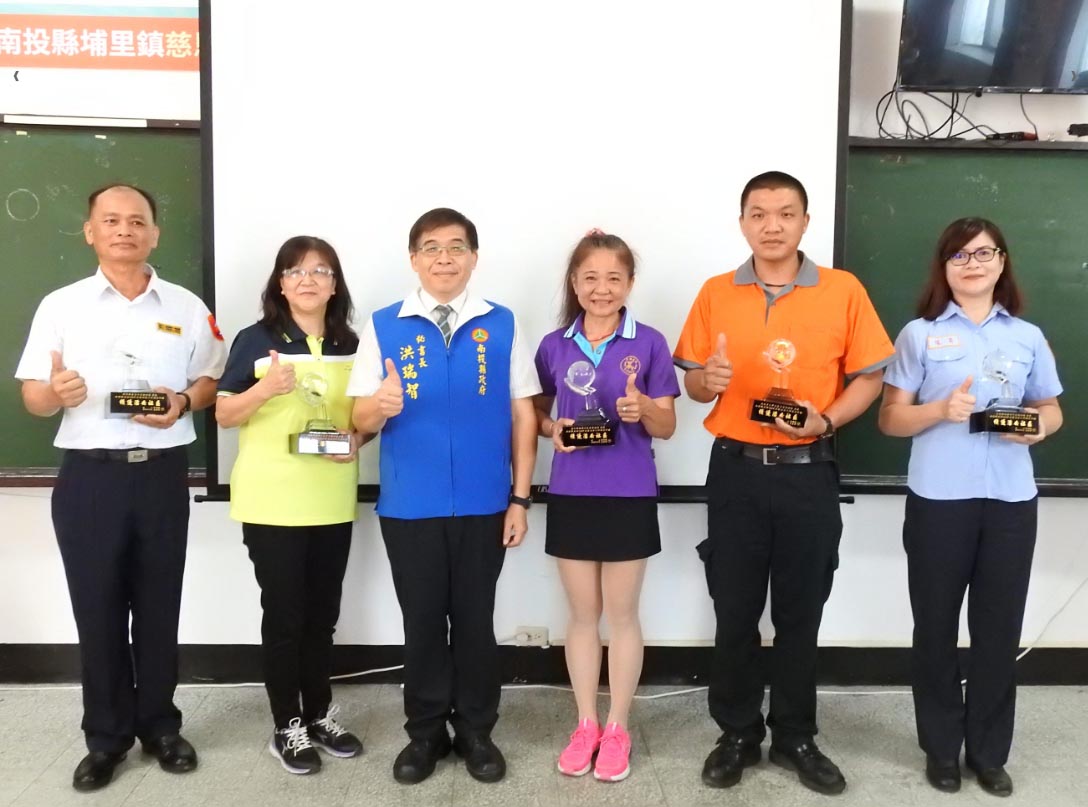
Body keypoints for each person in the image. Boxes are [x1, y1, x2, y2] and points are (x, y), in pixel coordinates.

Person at [673, 171, 894, 796]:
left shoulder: (842, 290)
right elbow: (692, 382)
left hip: (808, 475)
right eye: (759, 213)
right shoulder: (717, 292)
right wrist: (705, 382)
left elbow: (870, 377)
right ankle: (737, 733)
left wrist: (828, 419)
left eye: (785, 213)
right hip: (736, 471)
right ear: (742, 221)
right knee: (735, 610)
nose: (772, 225)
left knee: (802, 613)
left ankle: (795, 735)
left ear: (804, 221)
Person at [14, 184, 226, 792]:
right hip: (89, 477)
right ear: (90, 231)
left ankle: (160, 725)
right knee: (98, 610)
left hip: (161, 473)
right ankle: (105, 739)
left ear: (155, 233)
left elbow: (210, 378)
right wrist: (52, 394)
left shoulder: (185, 305)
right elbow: (32, 394)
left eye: (137, 221)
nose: (125, 230)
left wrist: (184, 400)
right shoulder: (61, 305)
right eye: (111, 220)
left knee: (159, 608)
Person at [348, 207, 539, 785]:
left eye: (456, 248)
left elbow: (523, 412)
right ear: (414, 259)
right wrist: (376, 408)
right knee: (424, 622)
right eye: (431, 248)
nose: (444, 259)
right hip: (410, 505)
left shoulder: (502, 322)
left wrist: (521, 499)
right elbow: (356, 415)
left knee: (476, 621)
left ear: (473, 258)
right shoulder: (384, 324)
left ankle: (477, 731)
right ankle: (425, 733)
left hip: (485, 503)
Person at [878, 218, 1063, 798]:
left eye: (984, 252)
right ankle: (940, 749)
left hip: (1010, 501)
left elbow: (1052, 410)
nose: (973, 262)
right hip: (940, 501)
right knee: (934, 627)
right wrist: (939, 411)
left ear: (1002, 262)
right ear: (945, 266)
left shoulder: (1027, 336)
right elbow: (889, 418)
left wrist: (1032, 428)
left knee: (998, 628)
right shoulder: (918, 334)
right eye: (960, 255)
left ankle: (987, 753)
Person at [533, 230, 680, 782]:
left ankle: (617, 728)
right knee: (579, 616)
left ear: (630, 283)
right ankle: (585, 724)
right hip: (572, 493)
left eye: (613, 278)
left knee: (621, 617)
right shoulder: (554, 345)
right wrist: (554, 428)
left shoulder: (650, 343)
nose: (601, 289)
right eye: (590, 278)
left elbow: (667, 426)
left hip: (628, 493)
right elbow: (540, 413)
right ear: (575, 282)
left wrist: (642, 406)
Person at [215, 236, 365, 775]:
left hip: (331, 500)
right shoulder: (256, 339)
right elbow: (225, 414)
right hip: (271, 500)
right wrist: (266, 389)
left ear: (334, 284)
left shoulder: (353, 341)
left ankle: (320, 714)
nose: (308, 280)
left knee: (323, 616)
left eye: (321, 271)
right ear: (280, 282)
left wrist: (358, 440)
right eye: (296, 271)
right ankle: (287, 725)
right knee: (286, 617)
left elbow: (359, 418)